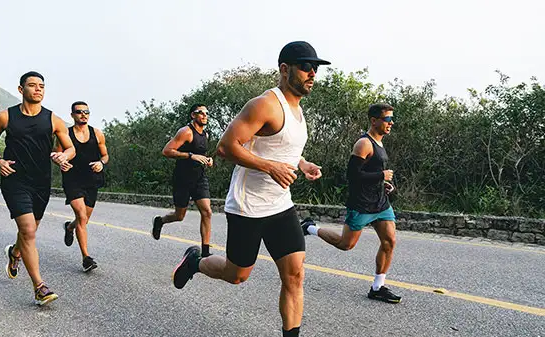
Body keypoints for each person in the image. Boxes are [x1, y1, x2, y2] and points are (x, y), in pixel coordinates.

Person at [171, 41, 328, 337]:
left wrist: (302, 163)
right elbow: (226, 147)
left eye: (315, 68)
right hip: (248, 206)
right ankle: (196, 261)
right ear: (285, 69)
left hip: (280, 205)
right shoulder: (265, 104)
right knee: (237, 275)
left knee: (295, 275)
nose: (312, 73)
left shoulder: (298, 110)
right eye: (306, 67)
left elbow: (280, 148)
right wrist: (270, 168)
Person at [0, 71, 75, 306]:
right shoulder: (5, 117)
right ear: (21, 90)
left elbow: (70, 148)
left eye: (41, 86)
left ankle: (15, 253)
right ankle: (39, 287)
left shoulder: (53, 120)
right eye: (32, 85)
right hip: (15, 180)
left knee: (28, 232)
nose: (38, 89)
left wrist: (63, 156)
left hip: (41, 183)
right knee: (29, 230)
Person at [301, 103, 401, 304]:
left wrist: (386, 185)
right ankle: (310, 227)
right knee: (345, 244)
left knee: (389, 241)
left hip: (380, 203)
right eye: (387, 119)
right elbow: (353, 175)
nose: (391, 123)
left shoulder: (380, 143)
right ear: (374, 121)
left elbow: (373, 174)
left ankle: (377, 287)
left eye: (392, 119)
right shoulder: (364, 144)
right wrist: (381, 175)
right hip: (362, 204)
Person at [152, 104, 214, 257]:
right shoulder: (186, 132)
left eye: (206, 113)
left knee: (207, 212)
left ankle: (205, 253)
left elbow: (201, 154)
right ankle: (160, 221)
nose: (205, 115)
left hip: (199, 178)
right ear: (193, 115)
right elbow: (166, 151)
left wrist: (208, 159)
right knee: (179, 216)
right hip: (182, 180)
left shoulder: (205, 135)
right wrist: (190, 156)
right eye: (201, 113)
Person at [58, 101, 109, 272]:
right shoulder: (65, 133)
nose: (83, 115)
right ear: (72, 115)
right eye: (79, 112)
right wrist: (61, 163)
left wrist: (101, 163)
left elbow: (105, 155)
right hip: (72, 179)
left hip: (91, 180)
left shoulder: (97, 133)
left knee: (84, 219)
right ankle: (86, 258)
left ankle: (69, 227)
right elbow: (58, 154)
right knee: (81, 216)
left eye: (86, 111)